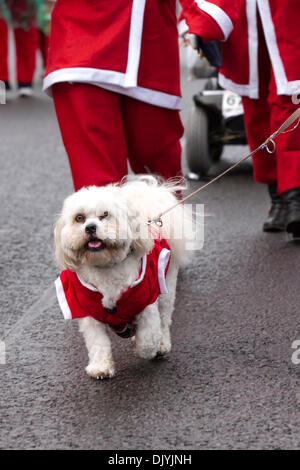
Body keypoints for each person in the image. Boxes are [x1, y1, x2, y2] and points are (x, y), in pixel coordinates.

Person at [44, 0, 235, 191]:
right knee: (99, 193)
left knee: (164, 180)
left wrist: (200, 14)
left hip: (150, 50)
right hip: (82, 49)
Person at [180, 0, 300, 239]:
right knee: (256, 111)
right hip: (244, 20)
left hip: (288, 15)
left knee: (288, 102)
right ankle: (277, 198)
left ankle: (294, 198)